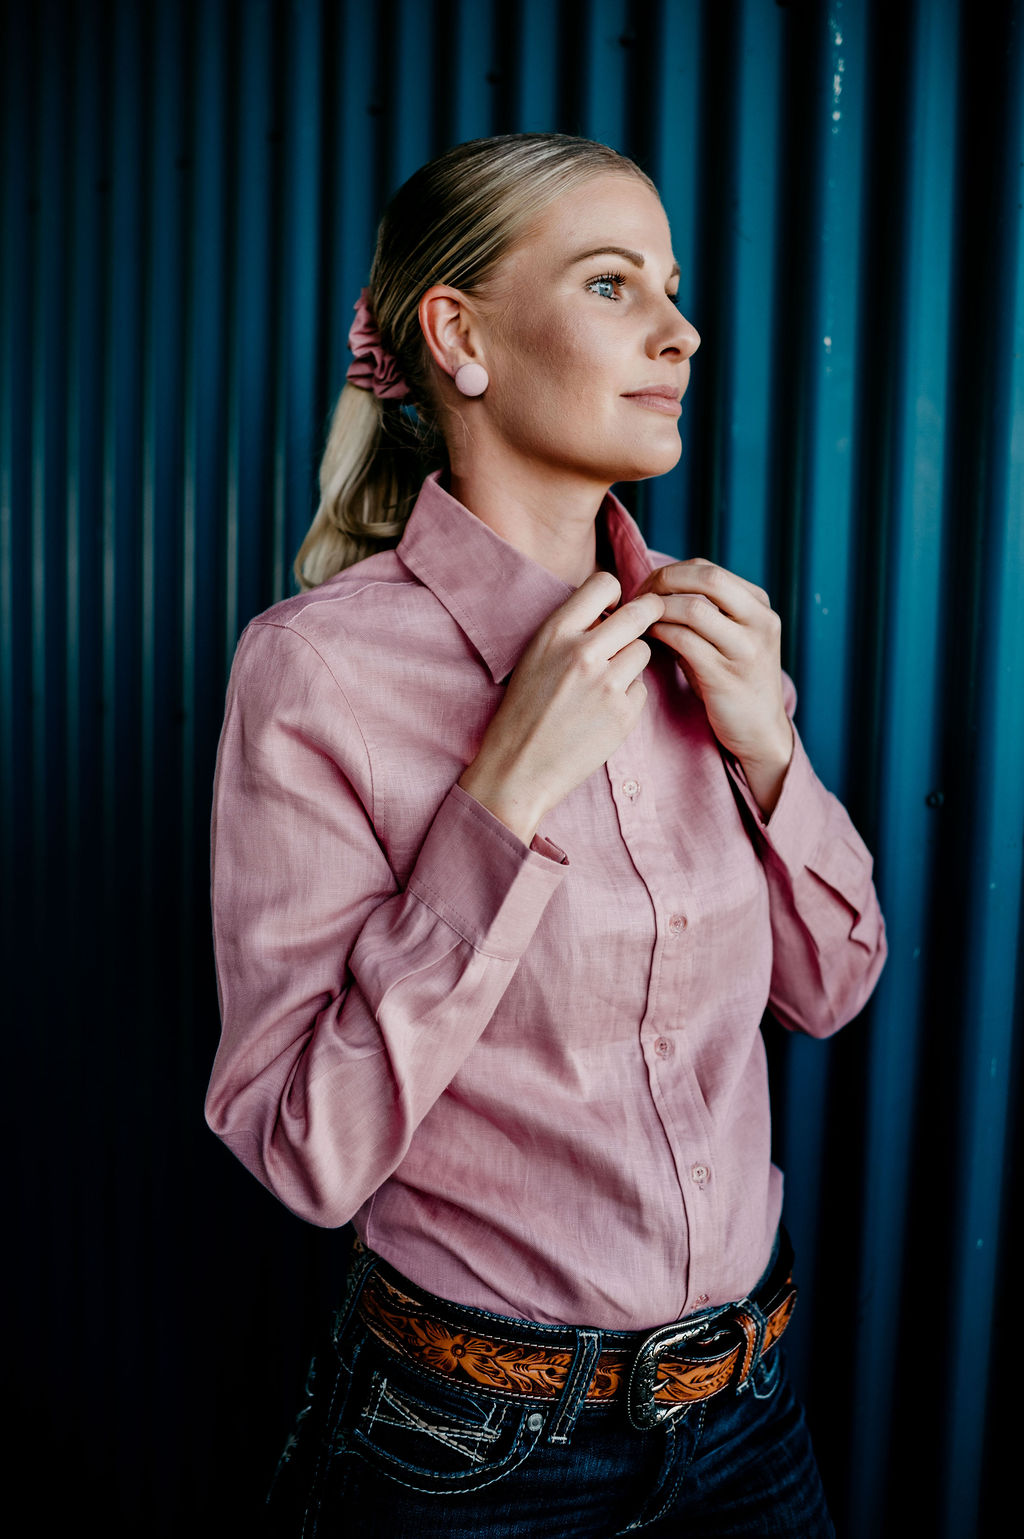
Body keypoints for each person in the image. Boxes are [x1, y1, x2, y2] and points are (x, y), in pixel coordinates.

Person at [205, 133, 886, 1537]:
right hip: (469, 1462)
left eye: (674, 287)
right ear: (459, 336)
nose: (682, 330)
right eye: (611, 283)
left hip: (748, 1426)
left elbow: (833, 988)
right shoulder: (318, 671)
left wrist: (770, 751)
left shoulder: (714, 641)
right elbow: (304, 1149)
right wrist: (496, 806)